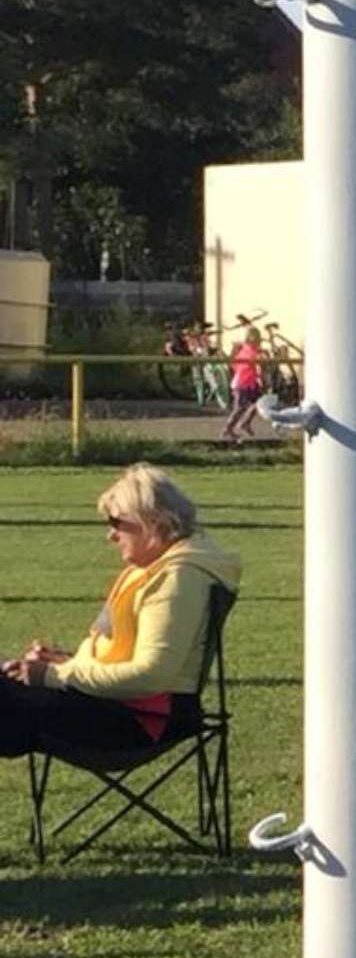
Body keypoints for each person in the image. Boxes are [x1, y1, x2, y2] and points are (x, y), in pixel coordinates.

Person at [3, 465, 244, 766]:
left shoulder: (177, 579)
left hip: (137, 722)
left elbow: (150, 675)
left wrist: (54, 676)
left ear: (153, 522)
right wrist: (67, 664)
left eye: (116, 523)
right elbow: (127, 656)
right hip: (119, 708)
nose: (111, 535)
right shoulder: (162, 569)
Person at [219, 324, 267, 446]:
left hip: (251, 382)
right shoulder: (247, 350)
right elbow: (243, 363)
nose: (259, 342)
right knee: (240, 407)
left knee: (259, 403)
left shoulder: (253, 350)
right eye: (257, 339)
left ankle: (245, 423)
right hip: (242, 382)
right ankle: (228, 428)